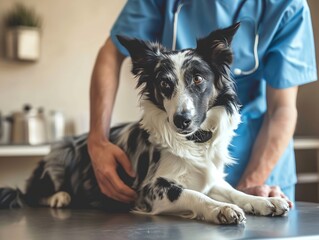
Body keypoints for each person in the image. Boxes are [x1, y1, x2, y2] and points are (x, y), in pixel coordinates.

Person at [87, 0, 317, 204]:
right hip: (177, 161)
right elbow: (111, 53)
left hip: (260, 160)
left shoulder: (288, 5)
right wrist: (97, 140)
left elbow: (282, 109)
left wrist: (248, 188)